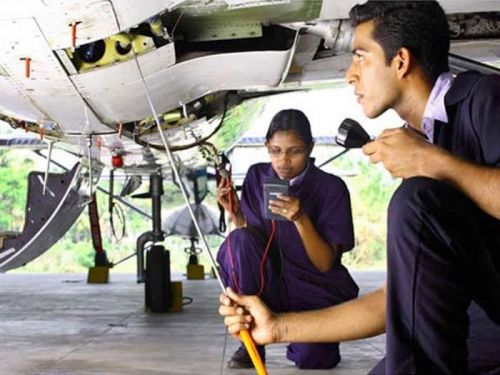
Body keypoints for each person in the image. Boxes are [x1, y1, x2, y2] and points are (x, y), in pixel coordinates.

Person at [219, 1, 500, 374]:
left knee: (415, 202)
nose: (350, 74)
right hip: (469, 323)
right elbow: (398, 299)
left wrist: (432, 162)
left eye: (361, 57)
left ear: (400, 62)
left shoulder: (485, 100)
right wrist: (277, 326)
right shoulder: (424, 139)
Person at [216, 109, 359, 369]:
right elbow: (251, 241)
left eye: (295, 151)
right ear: (266, 146)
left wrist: (301, 217)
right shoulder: (257, 176)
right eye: (275, 150)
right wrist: (235, 212)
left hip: (313, 288)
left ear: (310, 148)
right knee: (238, 240)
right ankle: (250, 343)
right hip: (271, 284)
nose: (284, 161)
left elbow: (325, 263)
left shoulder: (331, 188)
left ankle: (316, 340)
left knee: (314, 361)